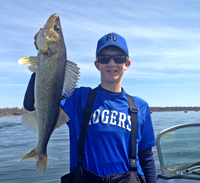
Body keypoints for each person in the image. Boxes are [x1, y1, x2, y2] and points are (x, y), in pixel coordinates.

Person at [24, 32, 157, 183]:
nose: (111, 63)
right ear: (97, 64)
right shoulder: (78, 98)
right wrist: (42, 64)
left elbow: (146, 157)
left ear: (127, 64)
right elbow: (31, 104)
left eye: (118, 58)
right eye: (104, 58)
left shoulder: (140, 107)